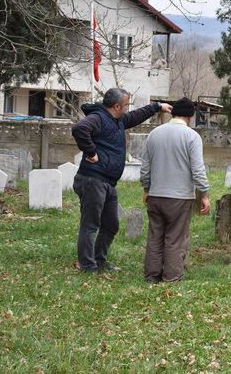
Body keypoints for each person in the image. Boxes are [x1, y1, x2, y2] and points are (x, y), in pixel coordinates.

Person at [71, 88, 172, 273]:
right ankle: (88, 266)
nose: (127, 108)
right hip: (93, 180)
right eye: (126, 105)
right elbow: (79, 129)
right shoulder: (98, 118)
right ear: (117, 106)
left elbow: (136, 116)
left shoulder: (118, 120)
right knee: (90, 225)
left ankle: (99, 260)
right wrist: (92, 152)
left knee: (111, 225)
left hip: (108, 182)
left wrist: (157, 107)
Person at [140, 97, 211, 283]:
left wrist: (146, 188)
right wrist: (204, 193)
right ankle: (171, 277)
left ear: (173, 113)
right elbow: (198, 169)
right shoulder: (192, 136)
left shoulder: (154, 134)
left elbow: (145, 166)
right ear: (190, 116)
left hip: (155, 194)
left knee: (155, 236)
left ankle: (152, 275)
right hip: (179, 198)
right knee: (175, 238)